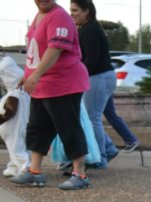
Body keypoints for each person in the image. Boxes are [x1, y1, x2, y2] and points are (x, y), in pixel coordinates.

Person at [12, 0, 90, 190]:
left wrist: (36, 74)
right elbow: (35, 52)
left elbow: (55, 49)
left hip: (63, 82)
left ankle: (80, 174)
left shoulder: (60, 16)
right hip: (43, 85)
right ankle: (34, 171)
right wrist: (28, 75)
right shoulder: (39, 16)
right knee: (38, 128)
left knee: (68, 127)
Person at [69, 0, 120, 168]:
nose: (72, 14)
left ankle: (100, 158)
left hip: (99, 77)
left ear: (87, 11)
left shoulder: (90, 30)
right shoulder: (88, 28)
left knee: (93, 119)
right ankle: (108, 149)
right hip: (101, 77)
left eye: (76, 10)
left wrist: (78, 78)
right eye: (71, 10)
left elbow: (91, 60)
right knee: (91, 118)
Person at [0, 56, 31, 178]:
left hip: (12, 127)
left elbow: (10, 112)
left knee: (15, 148)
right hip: (21, 126)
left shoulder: (13, 94)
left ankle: (25, 167)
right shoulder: (24, 92)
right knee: (18, 147)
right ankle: (13, 167)